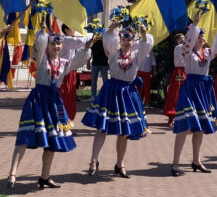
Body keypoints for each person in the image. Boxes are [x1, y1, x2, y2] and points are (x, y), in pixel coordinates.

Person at [8, 24, 94, 188]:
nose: (56, 47)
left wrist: (86, 48)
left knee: (52, 140)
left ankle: (44, 177)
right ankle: (12, 174)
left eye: (58, 44)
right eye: (53, 44)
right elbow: (39, 47)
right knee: (25, 135)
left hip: (54, 102)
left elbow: (77, 61)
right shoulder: (42, 60)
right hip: (38, 100)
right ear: (47, 45)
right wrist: (42, 33)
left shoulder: (64, 63)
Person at [82, 17, 155, 178]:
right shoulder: (113, 53)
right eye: (123, 39)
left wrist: (144, 34)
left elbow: (147, 44)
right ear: (120, 40)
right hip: (111, 92)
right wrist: (111, 28)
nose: (126, 42)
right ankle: (93, 160)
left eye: (129, 39)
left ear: (133, 41)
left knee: (124, 131)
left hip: (127, 94)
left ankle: (120, 163)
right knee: (102, 127)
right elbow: (108, 40)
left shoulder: (137, 55)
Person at [169, 17, 217, 176]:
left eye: (203, 36)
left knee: (200, 127)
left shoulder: (208, 53)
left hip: (202, 90)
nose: (202, 39)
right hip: (190, 89)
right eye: (199, 36)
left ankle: (196, 161)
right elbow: (187, 42)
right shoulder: (186, 52)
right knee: (185, 126)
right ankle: (175, 163)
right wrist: (194, 25)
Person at [57, 24, 89, 120]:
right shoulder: (65, 40)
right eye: (72, 28)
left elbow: (81, 49)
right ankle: (63, 117)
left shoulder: (70, 40)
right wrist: (93, 37)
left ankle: (68, 118)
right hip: (64, 71)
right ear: (66, 30)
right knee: (65, 93)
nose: (74, 30)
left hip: (71, 70)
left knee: (71, 94)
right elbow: (80, 42)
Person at [162, 32, 187, 127]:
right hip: (179, 72)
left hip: (186, 71)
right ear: (176, 41)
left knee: (185, 93)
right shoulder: (178, 47)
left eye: (184, 38)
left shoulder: (186, 47)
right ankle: (171, 117)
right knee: (176, 93)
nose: (183, 40)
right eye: (180, 38)